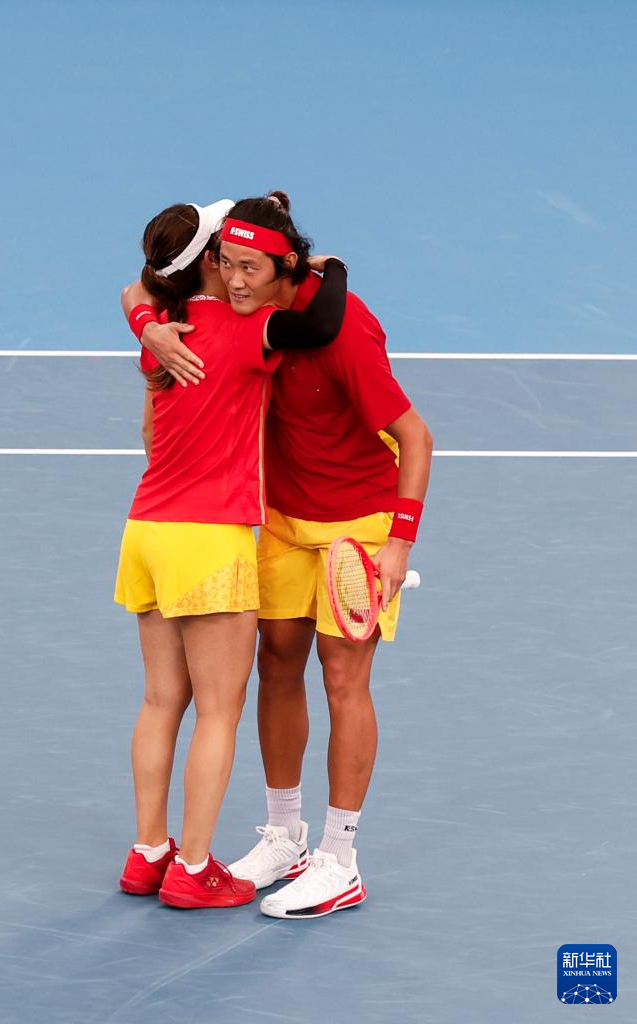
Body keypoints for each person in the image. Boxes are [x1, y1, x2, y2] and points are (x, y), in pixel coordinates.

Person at [144, 192, 433, 919]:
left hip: (358, 524)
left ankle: (340, 858)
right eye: (227, 264)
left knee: (343, 679)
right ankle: (286, 835)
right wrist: (148, 326)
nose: (234, 280)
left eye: (251, 268)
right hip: (281, 520)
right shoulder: (239, 314)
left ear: (289, 267)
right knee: (275, 666)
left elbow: (416, 436)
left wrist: (399, 543)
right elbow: (142, 285)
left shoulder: (342, 328)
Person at [115, 197, 348, 909]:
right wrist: (326, 265)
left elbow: (134, 290)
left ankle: (147, 855)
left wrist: (147, 326)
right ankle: (192, 869)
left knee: (161, 701)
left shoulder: (163, 327)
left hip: (145, 531)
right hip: (209, 539)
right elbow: (321, 321)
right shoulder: (248, 329)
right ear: (213, 262)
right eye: (225, 252)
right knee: (219, 711)